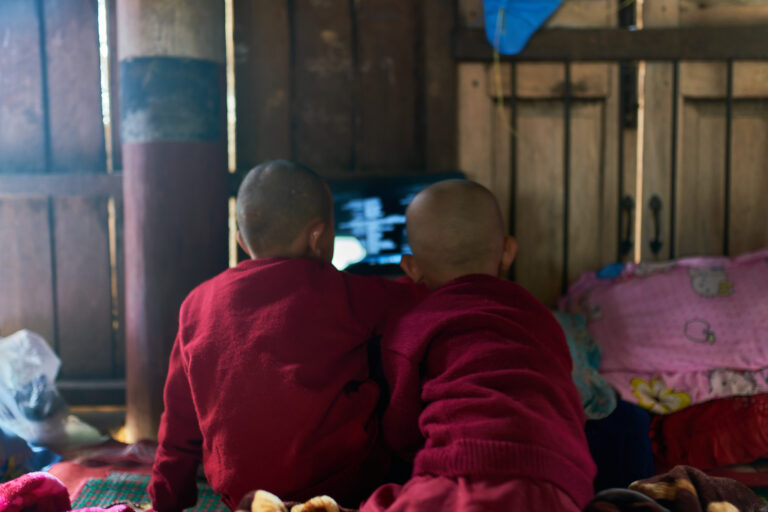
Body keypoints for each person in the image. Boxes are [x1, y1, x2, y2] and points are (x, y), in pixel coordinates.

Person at [149, 160, 418, 511]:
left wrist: (164, 502)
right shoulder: (347, 292)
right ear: (318, 236)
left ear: (242, 242)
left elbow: (177, 428)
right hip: (345, 492)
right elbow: (422, 299)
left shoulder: (196, 304)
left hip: (248, 497)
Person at [361, 179, 596, 511]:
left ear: (411, 268)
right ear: (508, 250)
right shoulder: (540, 317)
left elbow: (400, 431)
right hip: (563, 481)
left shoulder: (413, 325)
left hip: (465, 472)